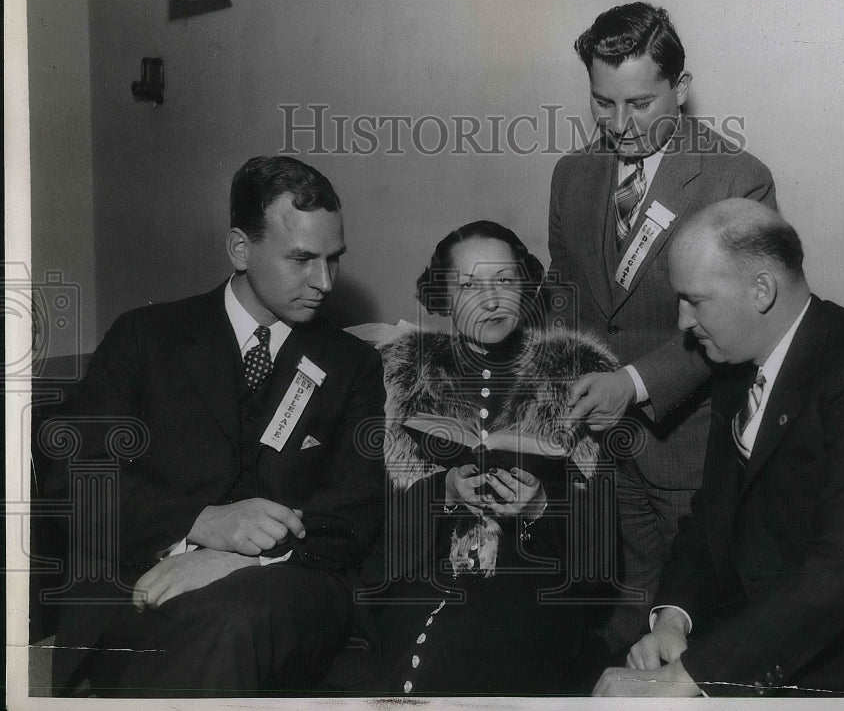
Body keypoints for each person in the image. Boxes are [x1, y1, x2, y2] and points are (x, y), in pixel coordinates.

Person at [594, 198, 844, 697]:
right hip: (773, 636)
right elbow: (713, 514)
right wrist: (673, 619)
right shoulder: (737, 362)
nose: (683, 322)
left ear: (762, 290)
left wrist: (692, 677)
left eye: (695, 300)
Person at [46, 156, 386, 697]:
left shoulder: (352, 365)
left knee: (231, 623)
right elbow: (76, 481)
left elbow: (358, 506)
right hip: (143, 584)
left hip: (289, 590)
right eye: (301, 259)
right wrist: (199, 524)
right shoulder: (144, 336)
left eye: (333, 259)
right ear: (239, 249)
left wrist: (237, 555)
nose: (324, 282)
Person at [548, 1, 777, 654]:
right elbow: (567, 287)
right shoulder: (571, 177)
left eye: (641, 105)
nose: (619, 126)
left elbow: (741, 323)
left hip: (692, 449)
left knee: (695, 620)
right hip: (604, 443)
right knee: (623, 606)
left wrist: (633, 382)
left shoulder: (737, 179)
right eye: (602, 103)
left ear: (680, 89)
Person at [371, 220, 619, 695]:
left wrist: (541, 507)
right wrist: (441, 493)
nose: (492, 300)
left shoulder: (576, 378)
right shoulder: (398, 377)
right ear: (440, 295)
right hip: (423, 582)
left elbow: (601, 563)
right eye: (468, 285)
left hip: (537, 592)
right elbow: (373, 532)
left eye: (505, 281)